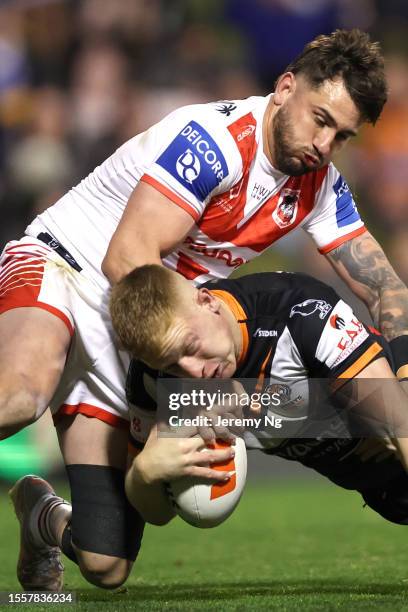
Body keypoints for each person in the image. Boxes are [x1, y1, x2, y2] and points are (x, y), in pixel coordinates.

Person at [3, 29, 408, 590]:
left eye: (342, 136)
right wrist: (197, 395)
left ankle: (42, 515)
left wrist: (405, 370)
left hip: (147, 341)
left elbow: (387, 289)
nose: (324, 144)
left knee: (106, 564)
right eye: (320, 119)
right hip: (67, 271)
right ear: (286, 87)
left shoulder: (320, 187)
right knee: (17, 398)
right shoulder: (215, 142)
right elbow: (128, 260)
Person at [110, 264, 408, 528]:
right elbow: (157, 514)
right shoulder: (153, 380)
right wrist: (144, 473)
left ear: (207, 301)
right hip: (382, 487)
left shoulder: (298, 309)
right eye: (172, 364)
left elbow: (400, 421)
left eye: (190, 346)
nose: (192, 370)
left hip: (398, 423)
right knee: (105, 567)